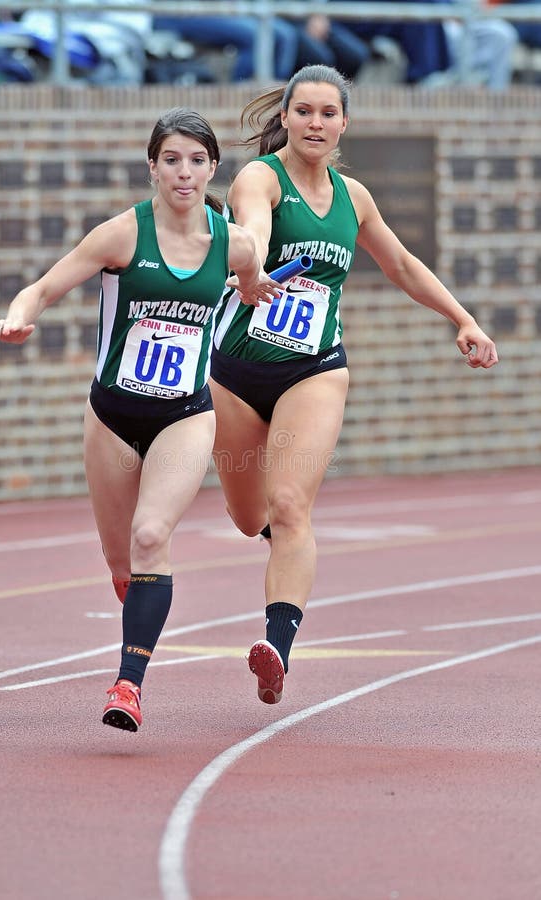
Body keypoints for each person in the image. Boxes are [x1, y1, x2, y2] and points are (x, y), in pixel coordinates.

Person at [209, 64, 499, 706]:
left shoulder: (353, 197)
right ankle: (277, 545)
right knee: (247, 515)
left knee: (290, 509)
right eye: (304, 111)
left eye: (328, 114)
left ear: (345, 124)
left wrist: (462, 318)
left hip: (313, 369)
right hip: (234, 372)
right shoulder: (262, 177)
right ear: (283, 116)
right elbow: (251, 226)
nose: (315, 124)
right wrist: (251, 265)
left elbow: (399, 263)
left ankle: (276, 646)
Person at [0, 107, 282, 733]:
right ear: (152, 166)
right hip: (113, 417)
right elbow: (42, 288)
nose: (184, 172)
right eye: (171, 159)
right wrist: (17, 317)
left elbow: (251, 276)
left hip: (185, 416)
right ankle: (137, 596)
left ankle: (129, 684)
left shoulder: (232, 242)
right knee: (124, 561)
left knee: (153, 536)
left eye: (197, 161)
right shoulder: (122, 234)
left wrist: (253, 290)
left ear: (212, 169)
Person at [152, 1, 299, 82]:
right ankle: (240, 91)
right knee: (257, 36)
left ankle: (278, 95)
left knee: (286, 35)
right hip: (180, 13)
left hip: (222, 10)